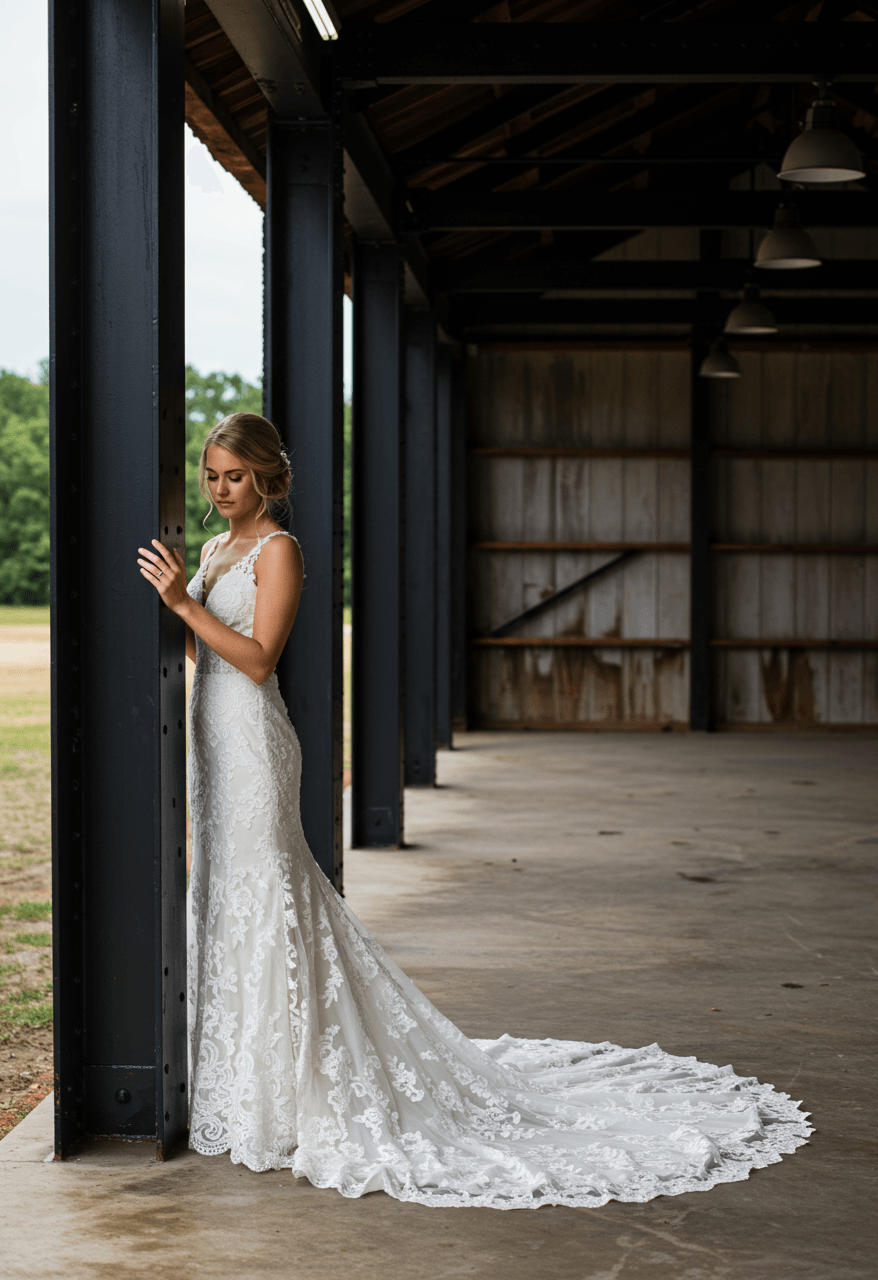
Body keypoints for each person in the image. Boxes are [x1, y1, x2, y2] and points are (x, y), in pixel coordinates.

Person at [137, 412, 811, 1210]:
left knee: (271, 896)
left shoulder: (280, 552)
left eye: (235, 477)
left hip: (254, 744)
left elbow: (256, 660)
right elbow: (207, 653)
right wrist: (179, 613)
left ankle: (293, 1091)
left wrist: (182, 605)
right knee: (220, 891)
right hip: (210, 743)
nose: (220, 491)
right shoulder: (215, 550)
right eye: (212, 476)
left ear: (268, 478)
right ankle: (237, 1078)